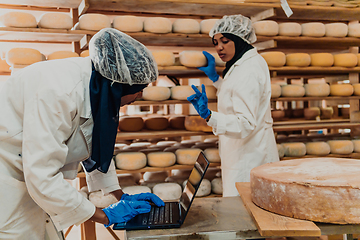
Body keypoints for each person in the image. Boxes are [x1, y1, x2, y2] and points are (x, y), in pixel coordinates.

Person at [0, 28, 164, 239]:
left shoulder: (97, 86)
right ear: (117, 87)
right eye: (138, 89)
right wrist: (105, 216)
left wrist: (120, 196)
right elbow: (42, 176)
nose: (140, 95)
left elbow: (94, 146)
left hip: (27, 173)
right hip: (7, 178)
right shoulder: (59, 92)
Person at [188, 15, 279, 197]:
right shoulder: (242, 64)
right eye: (215, 42)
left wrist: (209, 116)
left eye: (225, 41)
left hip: (250, 158)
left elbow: (245, 122)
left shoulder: (249, 70)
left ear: (239, 39)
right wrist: (216, 80)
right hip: (242, 152)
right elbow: (237, 94)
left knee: (245, 212)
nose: (219, 47)